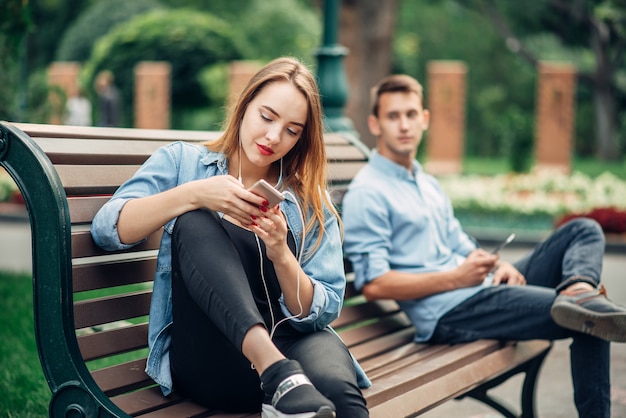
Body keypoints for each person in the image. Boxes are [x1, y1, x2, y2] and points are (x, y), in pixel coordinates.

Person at [91, 57, 370, 418]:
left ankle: (284, 384)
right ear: (244, 106)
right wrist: (195, 195)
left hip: (291, 341)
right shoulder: (183, 164)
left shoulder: (308, 202)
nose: (273, 137)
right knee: (193, 220)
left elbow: (320, 311)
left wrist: (281, 255)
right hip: (215, 357)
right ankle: (275, 372)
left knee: (342, 401)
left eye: (291, 130)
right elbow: (106, 229)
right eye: (267, 117)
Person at [341, 73, 626, 418]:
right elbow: (374, 285)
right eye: (393, 116)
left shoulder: (426, 183)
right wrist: (458, 279)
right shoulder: (368, 191)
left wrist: (498, 265)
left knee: (583, 230)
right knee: (590, 318)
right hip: (449, 310)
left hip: (479, 288)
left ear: (425, 119)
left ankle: (578, 289)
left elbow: (460, 243)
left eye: (411, 114)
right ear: (375, 124)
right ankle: (580, 302)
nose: (404, 125)